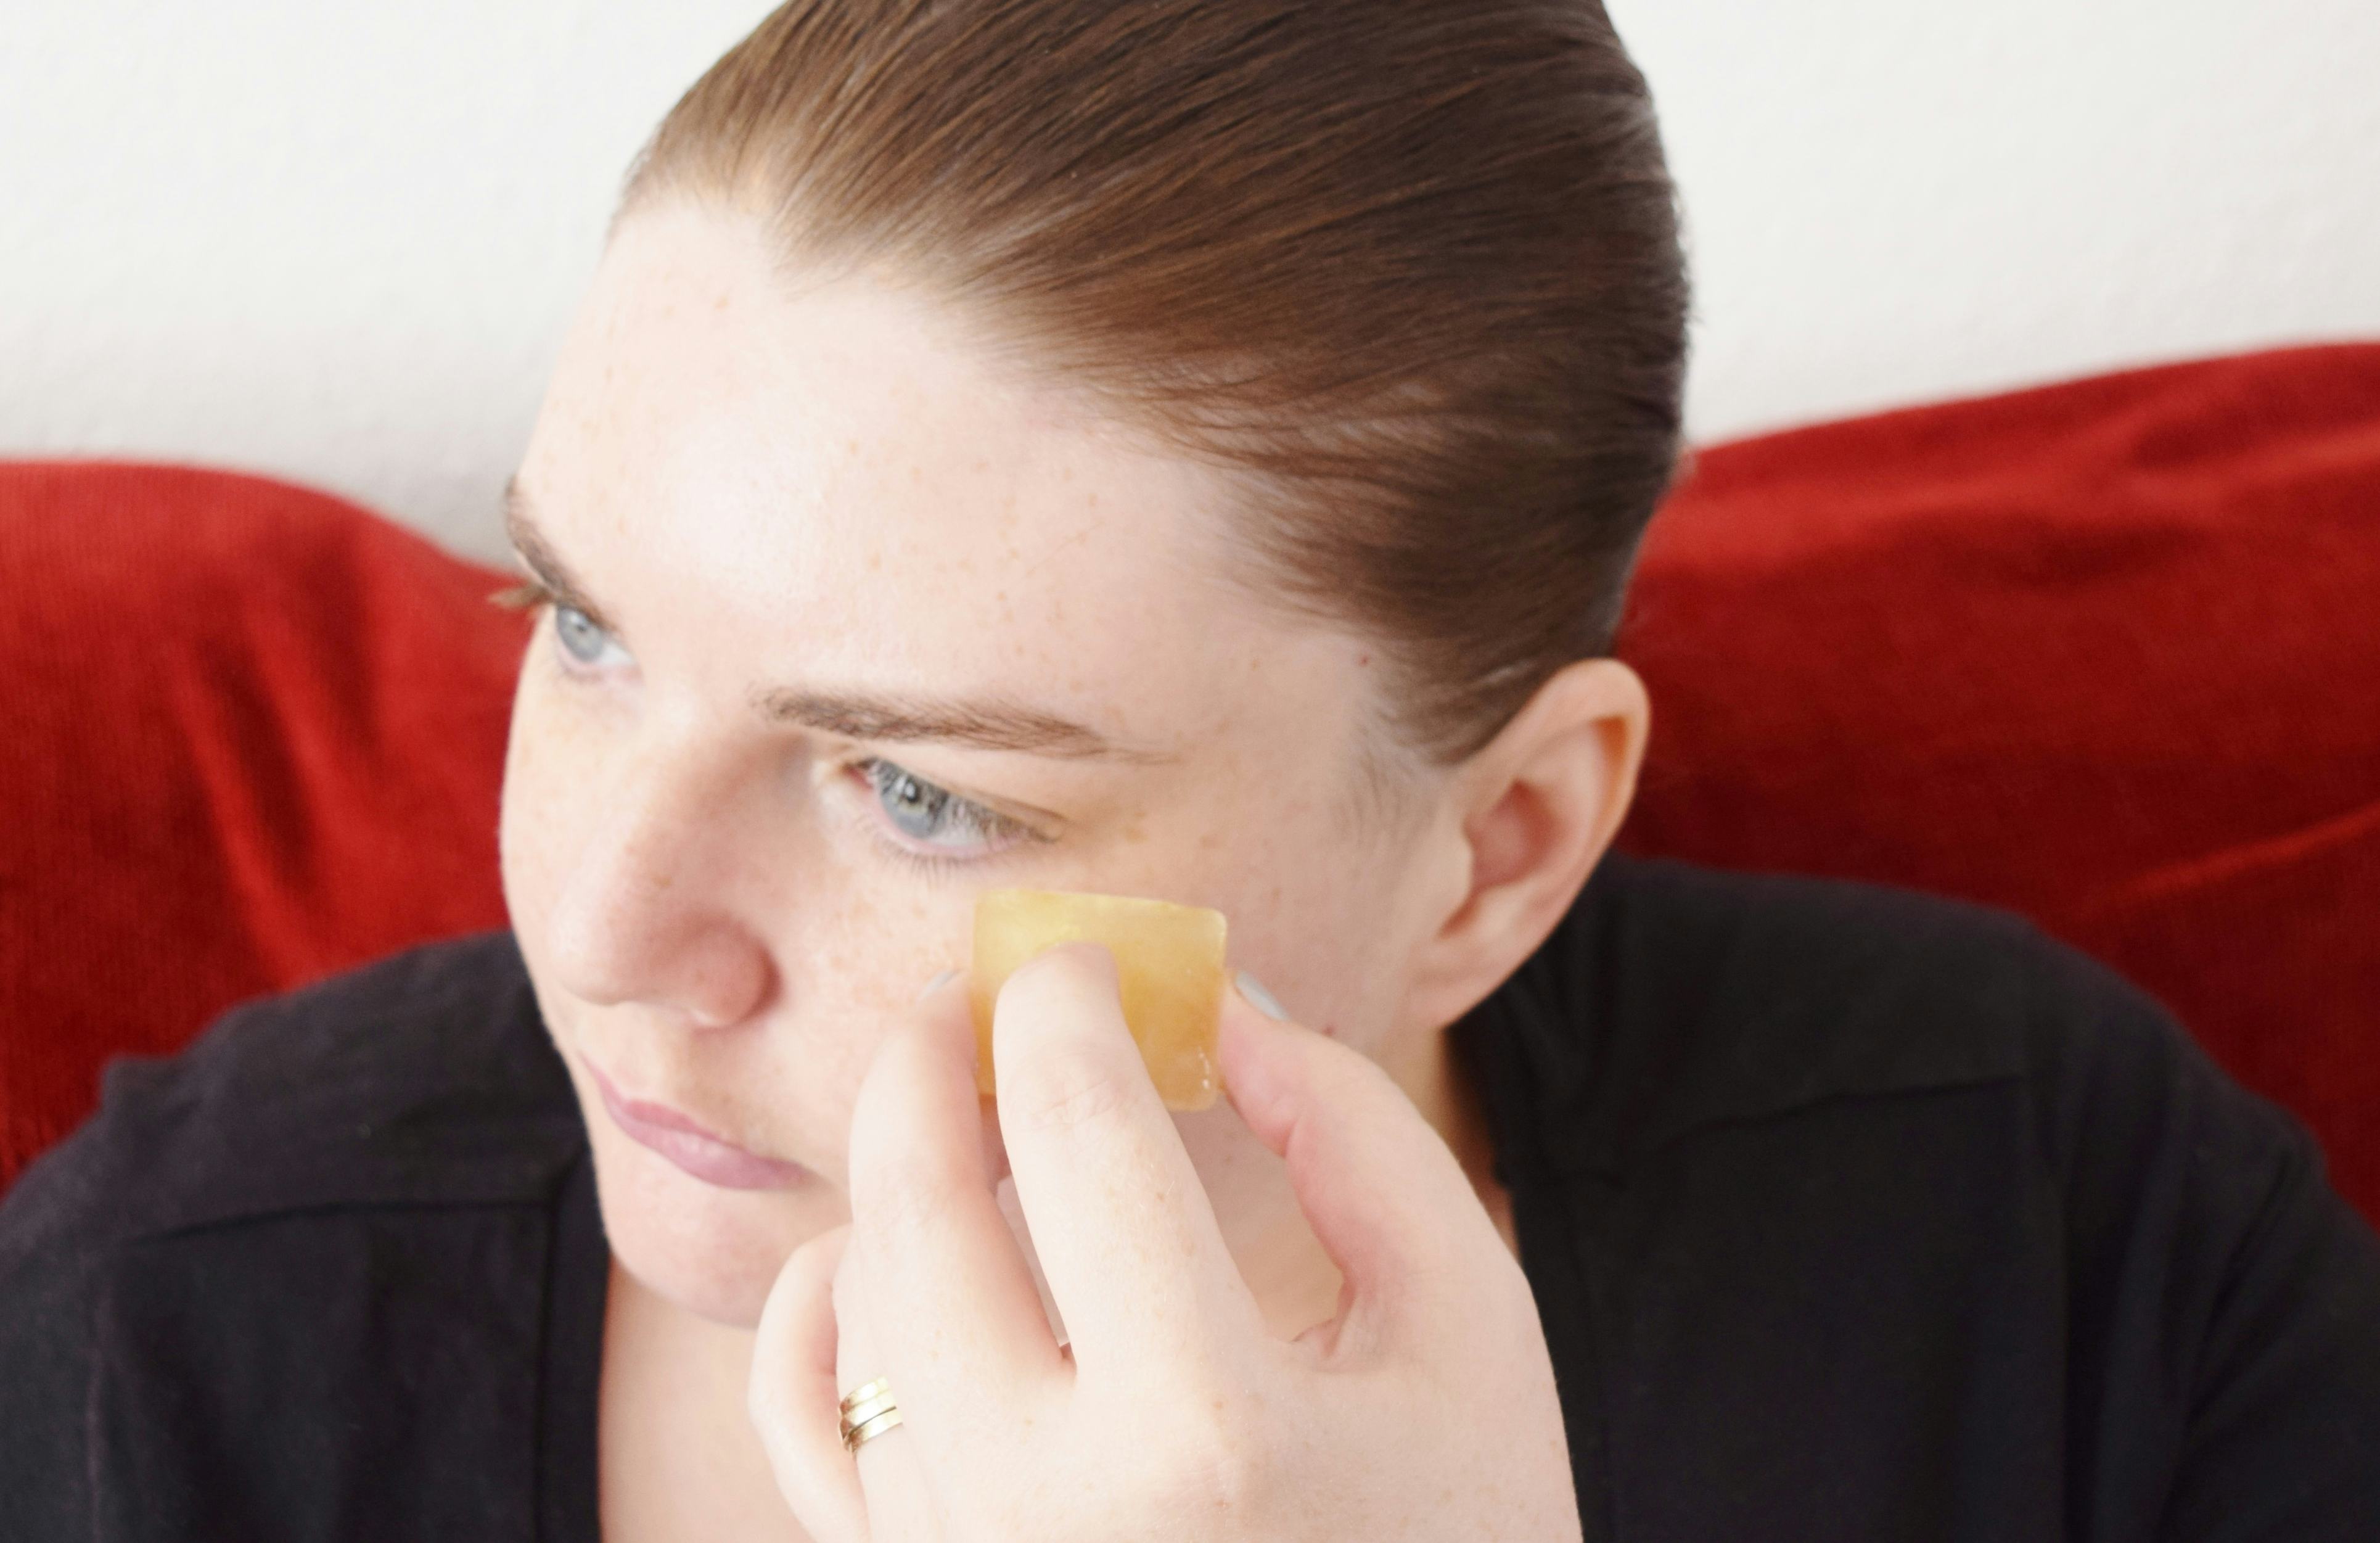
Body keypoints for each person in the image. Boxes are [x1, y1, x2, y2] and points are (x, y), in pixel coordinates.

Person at [4, 1, 2377, 1538]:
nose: (609, 934)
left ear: (1497, 851)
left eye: (918, 791)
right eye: (587, 628)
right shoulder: (169, 1341)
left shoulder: (2052, 1238)